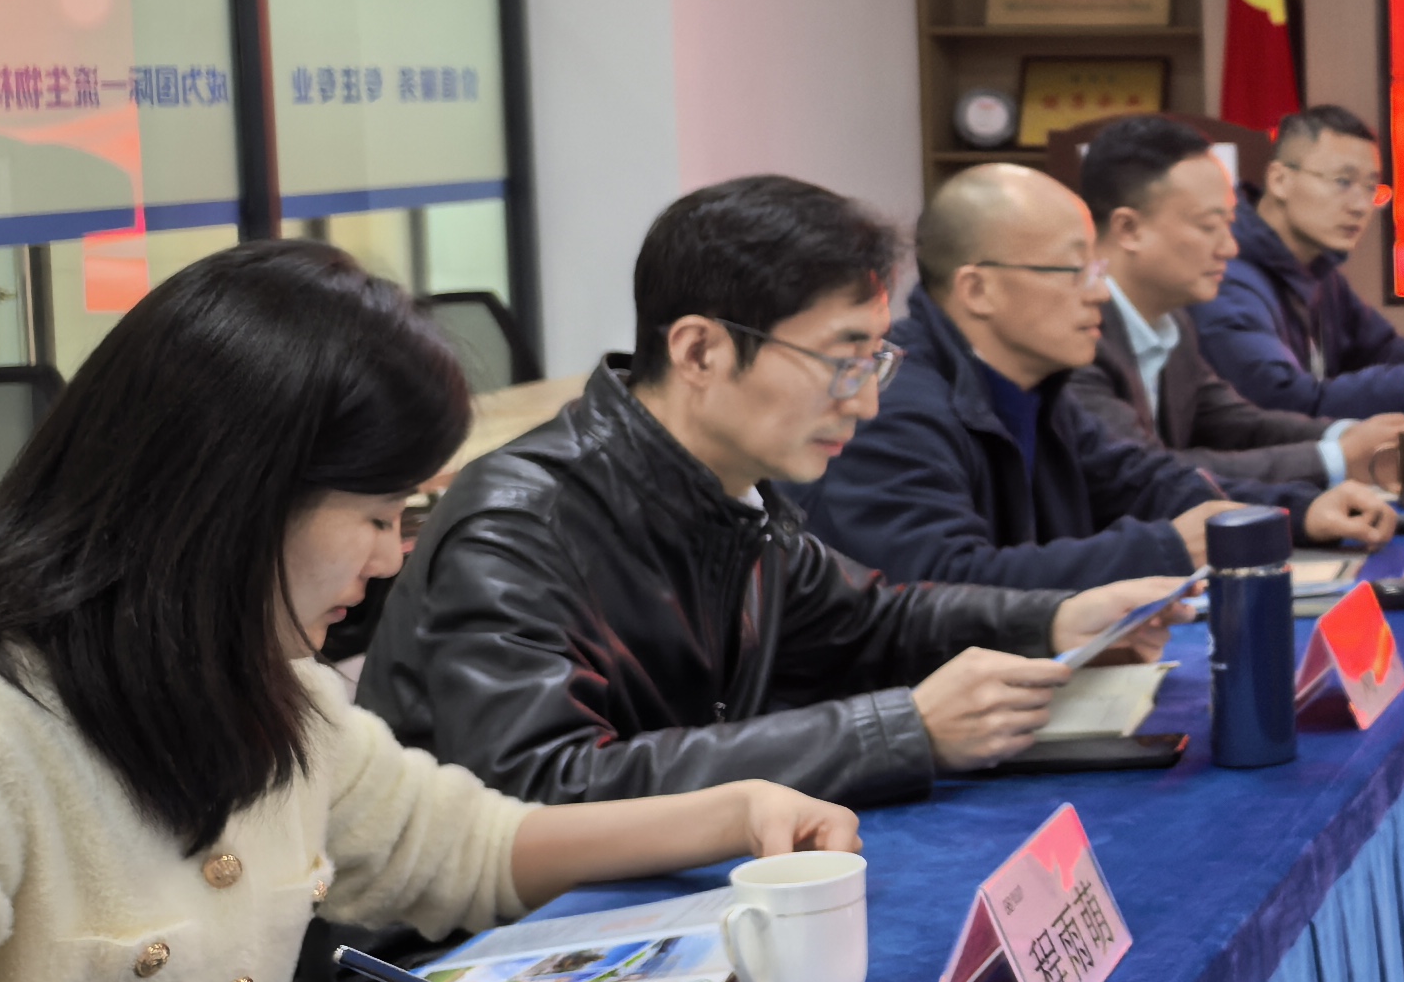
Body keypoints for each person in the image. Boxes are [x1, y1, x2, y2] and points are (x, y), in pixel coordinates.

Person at [0, 240, 860, 982]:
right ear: (232, 502)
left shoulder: (261, 681)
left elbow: (465, 849)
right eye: (378, 516)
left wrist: (726, 816)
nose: (392, 558)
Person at [363, 176, 1193, 808]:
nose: (864, 403)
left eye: (875, 361)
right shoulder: (519, 524)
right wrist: (899, 731)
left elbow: (871, 622)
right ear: (699, 352)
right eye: (841, 361)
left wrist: (1055, 621)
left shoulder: (733, 497)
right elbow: (544, 788)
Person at [797, 162, 1395, 590]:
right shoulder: (892, 403)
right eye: (1073, 271)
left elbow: (1141, 481)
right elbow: (943, 580)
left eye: (1098, 270)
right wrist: (1166, 548)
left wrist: (1296, 511)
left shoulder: (1036, 385)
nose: (1100, 294)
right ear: (978, 289)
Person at [1066, 116, 1404, 498]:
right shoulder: (1072, 335)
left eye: (1229, 225)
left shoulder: (1173, 321)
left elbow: (1235, 423)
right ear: (1128, 230)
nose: (1230, 248)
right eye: (1208, 226)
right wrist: (1336, 457)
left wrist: (1348, 435)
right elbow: (1143, 473)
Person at [1206, 103, 1404, 420]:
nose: (1360, 206)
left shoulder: (1318, 268)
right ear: (1280, 180)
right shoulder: (1224, 277)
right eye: (1343, 181)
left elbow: (1383, 351)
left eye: (1371, 187)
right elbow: (1287, 400)